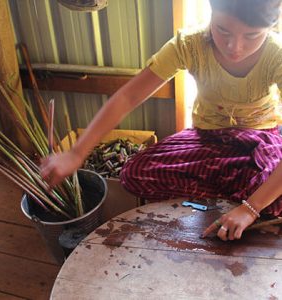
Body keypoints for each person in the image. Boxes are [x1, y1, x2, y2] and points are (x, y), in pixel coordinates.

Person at [41, 0, 282, 241]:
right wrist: (76, 152)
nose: (235, 47)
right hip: (208, 138)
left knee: (271, 190)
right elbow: (128, 96)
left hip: (258, 140)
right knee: (135, 174)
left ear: (271, 27)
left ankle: (243, 201)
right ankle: (237, 196)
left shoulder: (277, 55)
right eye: (222, 30)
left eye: (252, 35)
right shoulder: (191, 44)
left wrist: (251, 208)